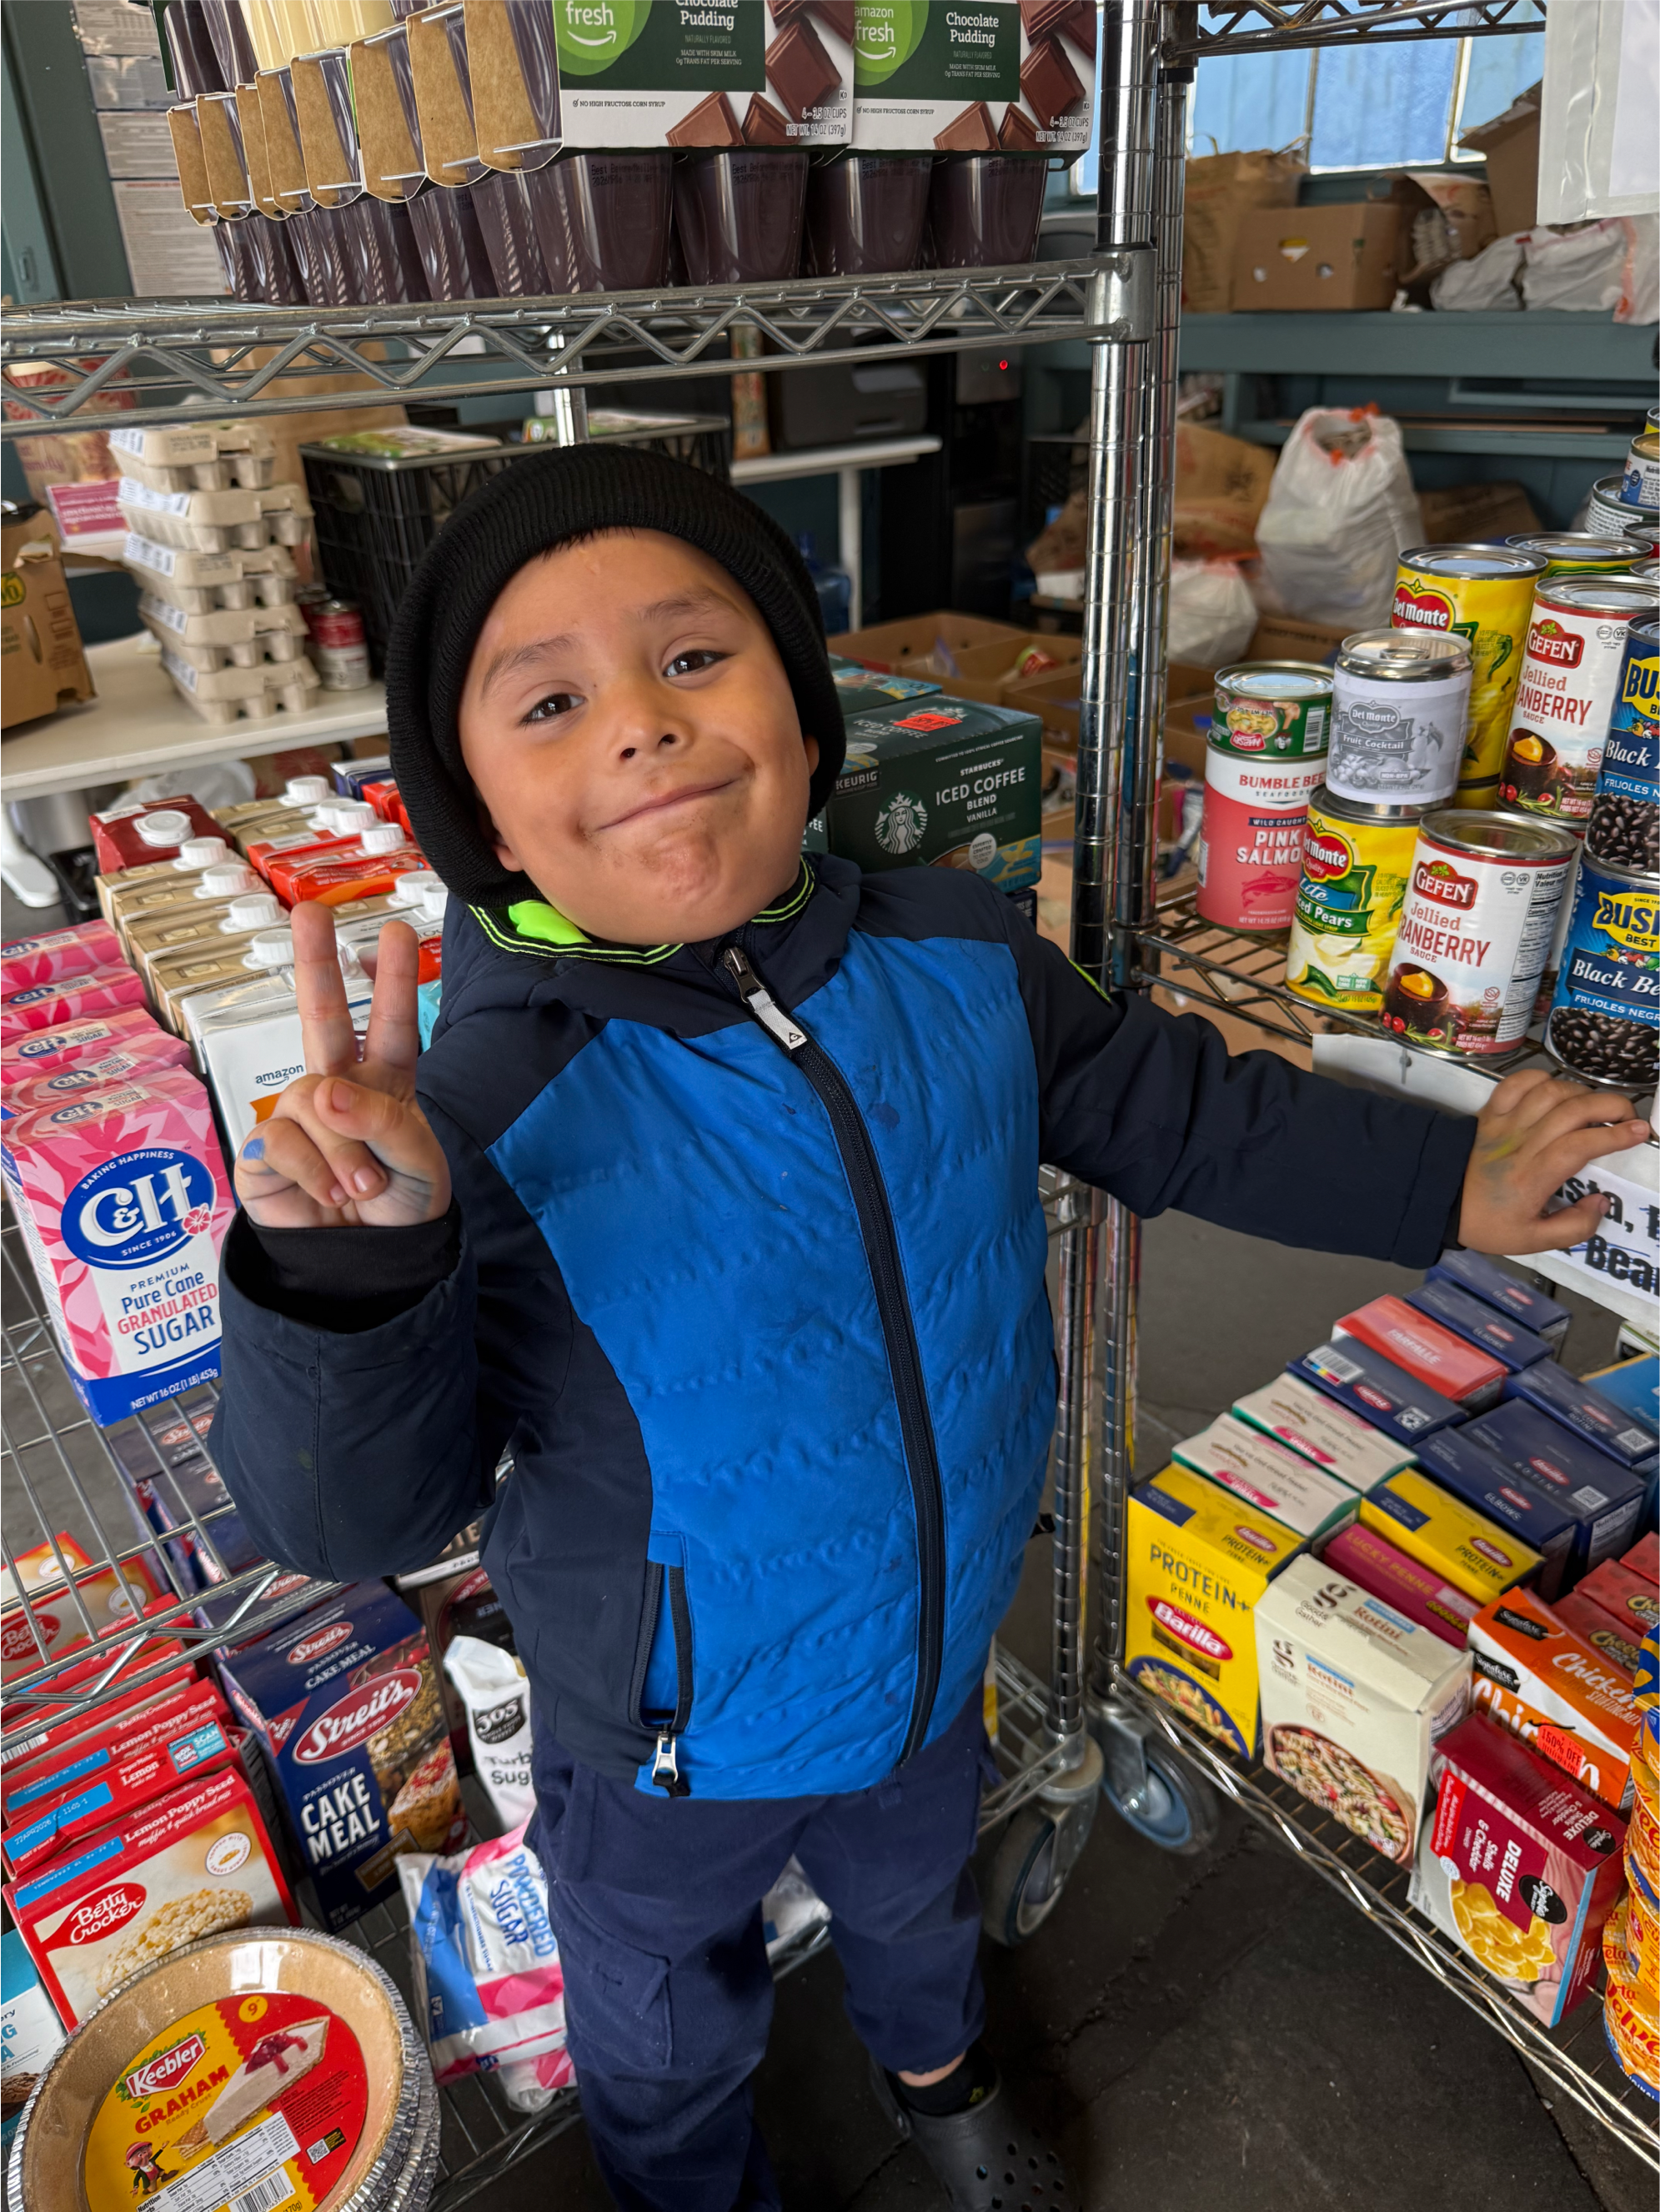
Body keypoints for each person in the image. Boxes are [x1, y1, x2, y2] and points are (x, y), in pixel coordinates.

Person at [213, 449, 1645, 2212]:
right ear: (485, 822)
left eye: (690, 658)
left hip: (931, 1634)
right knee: (661, 2008)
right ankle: (688, 2185)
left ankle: (940, 2080)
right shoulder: (485, 1109)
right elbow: (351, 1522)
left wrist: (1450, 1188)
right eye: (553, 703)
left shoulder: (961, 957)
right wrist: (353, 1271)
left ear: (803, 721)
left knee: (915, 1900)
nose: (643, 730)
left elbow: (1187, 1110)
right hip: (668, 1729)